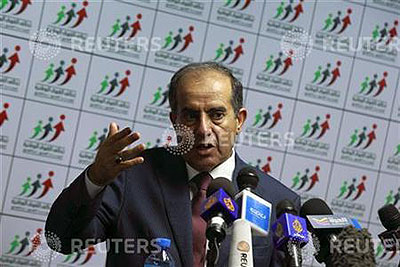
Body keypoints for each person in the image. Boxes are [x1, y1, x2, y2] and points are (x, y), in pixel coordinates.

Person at [45, 62, 300, 266]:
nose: (203, 129)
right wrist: (95, 180)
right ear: (174, 120)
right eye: (190, 115)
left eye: (217, 114)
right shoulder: (131, 176)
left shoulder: (279, 203)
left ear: (239, 120)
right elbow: (62, 241)